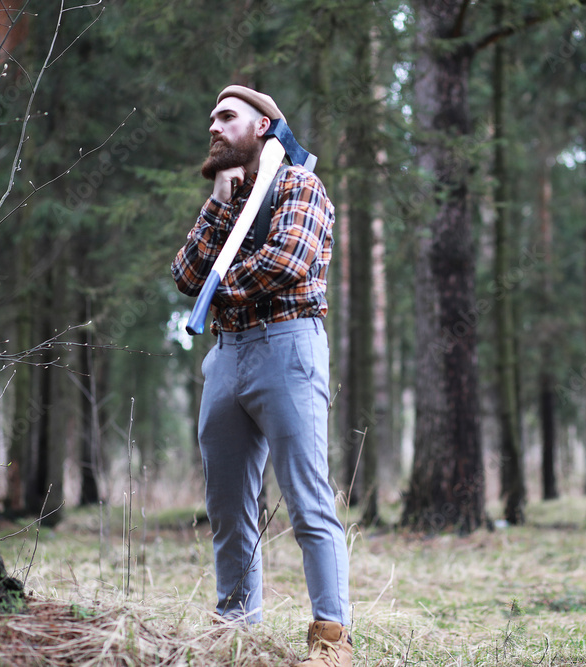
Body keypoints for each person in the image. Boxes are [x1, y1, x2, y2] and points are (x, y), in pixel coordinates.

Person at [171, 85, 352, 667]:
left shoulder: (300, 185)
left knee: (306, 498)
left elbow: (285, 262)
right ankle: (237, 632)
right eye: (211, 118)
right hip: (226, 353)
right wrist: (218, 204)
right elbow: (184, 274)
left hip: (287, 343)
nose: (214, 127)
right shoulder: (227, 201)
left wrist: (214, 289)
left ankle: (331, 640)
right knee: (226, 505)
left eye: (227, 117)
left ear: (263, 127)